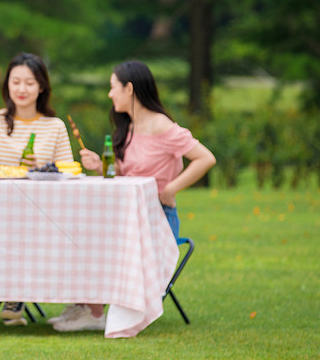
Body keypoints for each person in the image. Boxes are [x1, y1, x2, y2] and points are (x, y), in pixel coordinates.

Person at [50, 59, 217, 333]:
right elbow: (129, 175)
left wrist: (170, 189)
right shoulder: (128, 127)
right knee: (77, 230)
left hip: (157, 221)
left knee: (97, 239)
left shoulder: (162, 126)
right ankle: (85, 306)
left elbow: (205, 158)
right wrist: (100, 165)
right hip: (127, 218)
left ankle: (93, 312)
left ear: (129, 89)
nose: (109, 94)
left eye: (112, 87)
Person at [0, 52, 74, 327]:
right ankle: (13, 294)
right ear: (7, 86)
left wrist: (44, 166)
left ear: (41, 87)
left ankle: (17, 294)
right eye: (16, 82)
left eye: (29, 82)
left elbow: (68, 171)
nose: (22, 89)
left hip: (44, 211)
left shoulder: (55, 126)